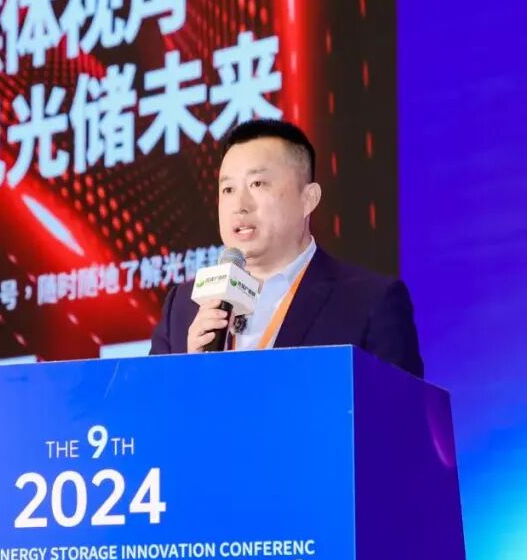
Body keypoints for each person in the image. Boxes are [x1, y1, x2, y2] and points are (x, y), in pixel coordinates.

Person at [149, 118, 424, 378]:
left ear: (308, 199)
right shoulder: (183, 307)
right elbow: (148, 407)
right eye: (228, 189)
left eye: (257, 184)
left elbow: (398, 410)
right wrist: (187, 372)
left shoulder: (369, 302)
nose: (239, 205)